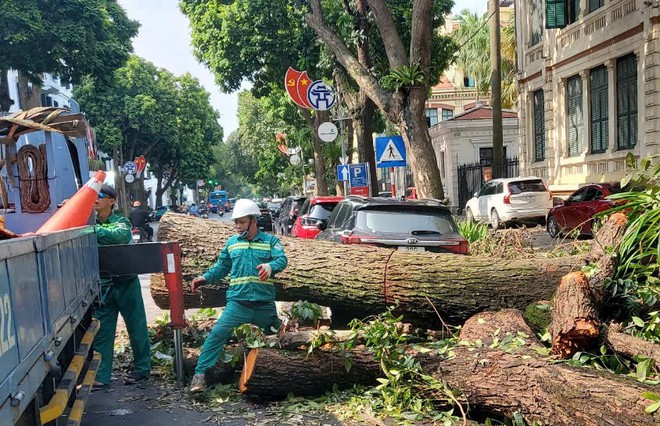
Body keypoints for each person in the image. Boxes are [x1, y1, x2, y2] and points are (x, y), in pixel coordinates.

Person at [188, 199, 288, 392]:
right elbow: (221, 267)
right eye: (236, 222)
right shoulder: (232, 243)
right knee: (217, 335)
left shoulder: (270, 241)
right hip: (238, 304)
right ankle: (199, 376)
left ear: (253, 220)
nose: (237, 226)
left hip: (263, 304)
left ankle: (278, 376)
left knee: (277, 335)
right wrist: (204, 278)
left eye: (241, 222)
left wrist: (271, 266)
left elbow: (281, 259)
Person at [93, 185, 151, 389]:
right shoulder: (88, 221)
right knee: (102, 332)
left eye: (101, 196)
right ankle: (101, 375)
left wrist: (91, 229)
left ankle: (142, 370)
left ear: (112, 201)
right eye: (94, 195)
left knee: (136, 328)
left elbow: (116, 237)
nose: (96, 199)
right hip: (103, 284)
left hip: (126, 283)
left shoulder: (121, 222)